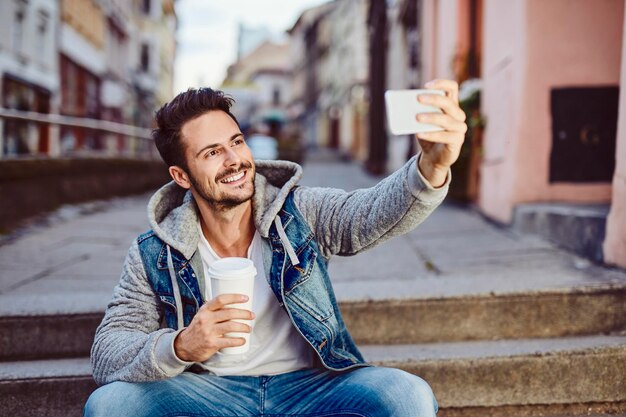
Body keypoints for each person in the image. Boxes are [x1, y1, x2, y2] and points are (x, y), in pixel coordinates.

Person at [84, 79, 467, 417]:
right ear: (181, 176)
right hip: (209, 394)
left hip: (309, 388)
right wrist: (182, 345)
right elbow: (107, 351)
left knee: (407, 396)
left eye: (236, 142)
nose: (235, 160)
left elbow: (367, 213)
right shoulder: (153, 252)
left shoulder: (299, 213)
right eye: (212, 152)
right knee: (110, 405)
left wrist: (431, 166)